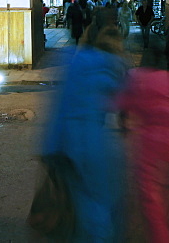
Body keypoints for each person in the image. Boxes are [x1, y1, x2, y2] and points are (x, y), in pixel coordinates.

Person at [42, 25, 129, 241]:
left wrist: (50, 149)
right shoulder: (111, 66)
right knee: (100, 201)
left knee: (78, 198)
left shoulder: (71, 60)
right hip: (94, 141)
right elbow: (121, 104)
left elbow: (59, 105)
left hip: (65, 141)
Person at [115, 46, 169, 243]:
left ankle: (161, 237)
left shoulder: (136, 77)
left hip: (151, 142)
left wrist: (123, 125)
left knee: (150, 197)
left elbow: (123, 105)